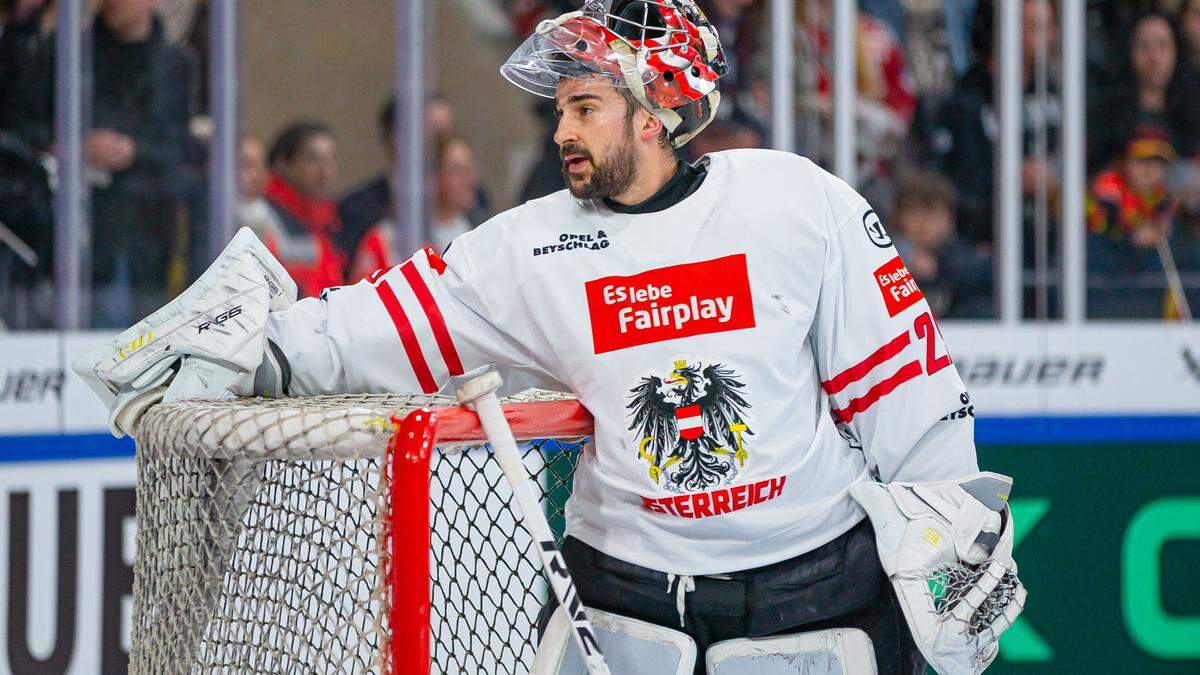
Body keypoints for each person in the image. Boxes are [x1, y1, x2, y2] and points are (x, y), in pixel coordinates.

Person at [75, 2, 1024, 673]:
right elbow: (379, 325)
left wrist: (958, 522)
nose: (561, 129)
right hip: (623, 607)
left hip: (819, 596)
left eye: (585, 107)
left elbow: (906, 379)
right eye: (560, 108)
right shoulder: (532, 244)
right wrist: (255, 349)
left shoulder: (795, 200)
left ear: (657, 111)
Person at [14, 0, 195, 327]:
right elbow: (27, 124)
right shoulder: (67, 52)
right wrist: (72, 147)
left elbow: (179, 145)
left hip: (146, 222)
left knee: (142, 329)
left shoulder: (174, 63)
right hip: (74, 219)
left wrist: (133, 150)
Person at [1086, 126, 1186, 318]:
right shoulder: (1107, 188)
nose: (1150, 171)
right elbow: (1105, 225)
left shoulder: (1161, 197)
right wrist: (1131, 236)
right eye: (1142, 162)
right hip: (1102, 290)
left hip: (1143, 294)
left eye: (1157, 164)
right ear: (1123, 162)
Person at [1088, 11, 1200, 171]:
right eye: (1144, 46)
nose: (1154, 57)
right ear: (1129, 53)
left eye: (1163, 45)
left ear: (1176, 52)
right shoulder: (1108, 116)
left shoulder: (1193, 113)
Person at [891, 169, 993, 318]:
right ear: (898, 217)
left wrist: (938, 271)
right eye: (914, 213)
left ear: (950, 219)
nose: (923, 223)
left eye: (932, 213)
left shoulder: (965, 261)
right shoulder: (884, 256)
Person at [261, 121, 345, 299]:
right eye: (314, 159)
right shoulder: (263, 219)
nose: (325, 171)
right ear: (282, 164)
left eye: (330, 160)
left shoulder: (328, 223)